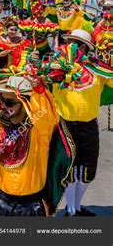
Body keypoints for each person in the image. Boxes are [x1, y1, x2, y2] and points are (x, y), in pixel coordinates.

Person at [0, 66, 74, 216]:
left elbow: (47, 115)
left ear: (26, 104)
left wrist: (36, 86)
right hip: (0, 204)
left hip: (32, 207)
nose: (3, 106)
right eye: (1, 100)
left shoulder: (39, 130)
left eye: (10, 103)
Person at [52, 29, 113, 216]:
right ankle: (70, 210)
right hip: (65, 125)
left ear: (86, 48)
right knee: (69, 170)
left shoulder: (97, 69)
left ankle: (77, 206)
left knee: (88, 169)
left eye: (77, 43)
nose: (72, 46)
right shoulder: (57, 67)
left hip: (89, 125)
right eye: (70, 42)